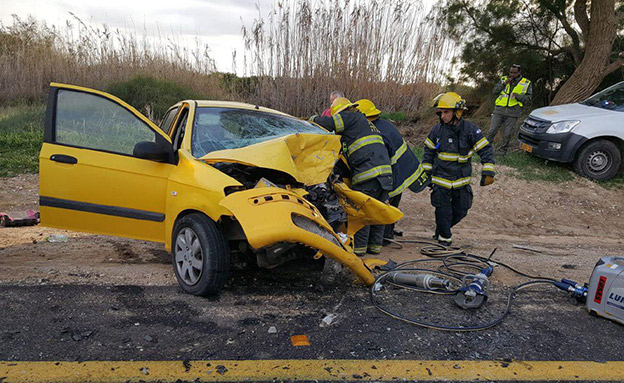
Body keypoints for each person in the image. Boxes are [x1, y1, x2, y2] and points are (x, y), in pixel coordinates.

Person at [310, 97, 392, 255]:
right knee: (377, 211)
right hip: (385, 175)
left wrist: (312, 119)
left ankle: (359, 252)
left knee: (361, 213)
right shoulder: (365, 124)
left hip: (369, 175)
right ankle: (374, 248)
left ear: (341, 112)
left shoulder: (350, 117)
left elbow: (328, 123)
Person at [422, 92, 495, 246]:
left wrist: (488, 170)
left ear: (458, 112)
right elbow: (428, 152)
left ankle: (442, 229)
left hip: (461, 181)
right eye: (441, 112)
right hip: (441, 180)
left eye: (446, 112)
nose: (442, 116)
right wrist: (426, 173)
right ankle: (444, 240)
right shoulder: (437, 130)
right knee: (443, 211)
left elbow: (485, 150)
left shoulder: (471, 130)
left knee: (462, 210)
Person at [355, 99, 429, 244]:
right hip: (403, 170)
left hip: (394, 174)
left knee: (384, 207)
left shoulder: (376, 132)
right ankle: (385, 237)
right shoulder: (384, 125)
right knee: (389, 206)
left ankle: (385, 238)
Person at [487, 64, 532, 154]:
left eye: (514, 73)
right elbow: (495, 91)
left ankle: (502, 151)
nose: (512, 74)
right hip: (499, 109)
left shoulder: (526, 83)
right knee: (492, 131)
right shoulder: (503, 79)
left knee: (508, 133)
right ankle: (485, 148)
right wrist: (503, 84)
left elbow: (529, 98)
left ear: (519, 72)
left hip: (513, 111)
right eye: (511, 72)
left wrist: (518, 96)